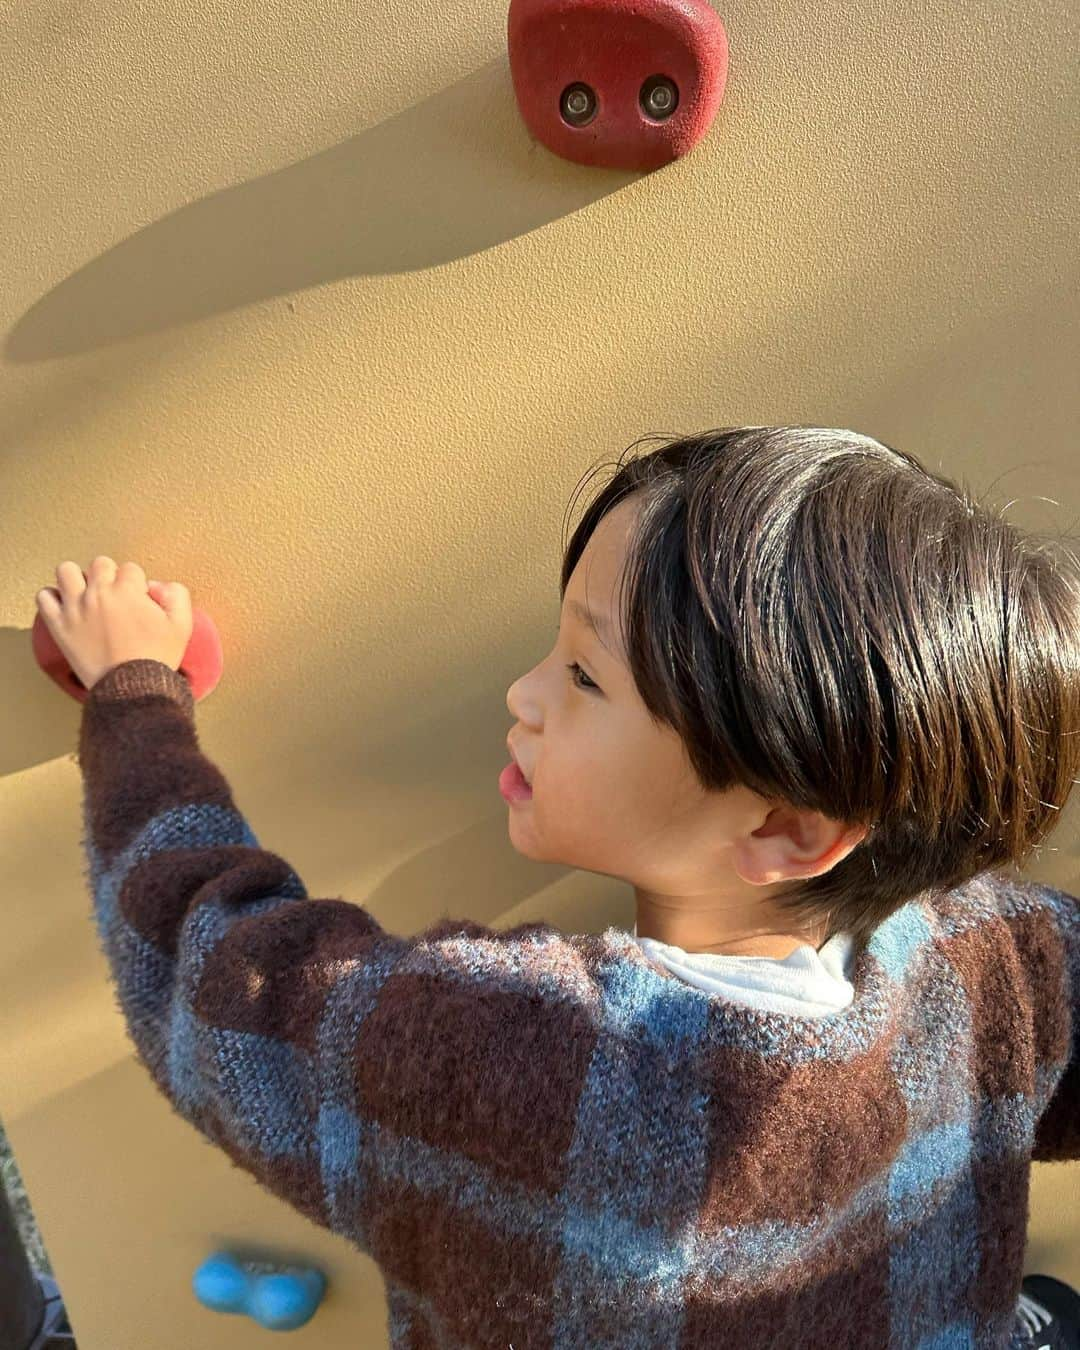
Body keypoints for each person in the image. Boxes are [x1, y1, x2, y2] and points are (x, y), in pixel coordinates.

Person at [40, 426, 1080, 1347]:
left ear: (787, 828)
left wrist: (133, 698)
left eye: (584, 676)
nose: (523, 694)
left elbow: (216, 981)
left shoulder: (511, 1057)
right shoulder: (1005, 955)